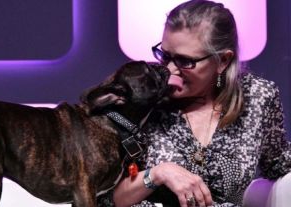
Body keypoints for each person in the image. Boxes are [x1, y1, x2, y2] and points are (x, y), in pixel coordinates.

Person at [97, 0, 291, 206]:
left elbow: (278, 163)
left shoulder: (258, 97)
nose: (170, 70)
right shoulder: (142, 95)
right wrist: (158, 174)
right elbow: (103, 199)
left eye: (185, 61)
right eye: (165, 55)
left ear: (223, 61)